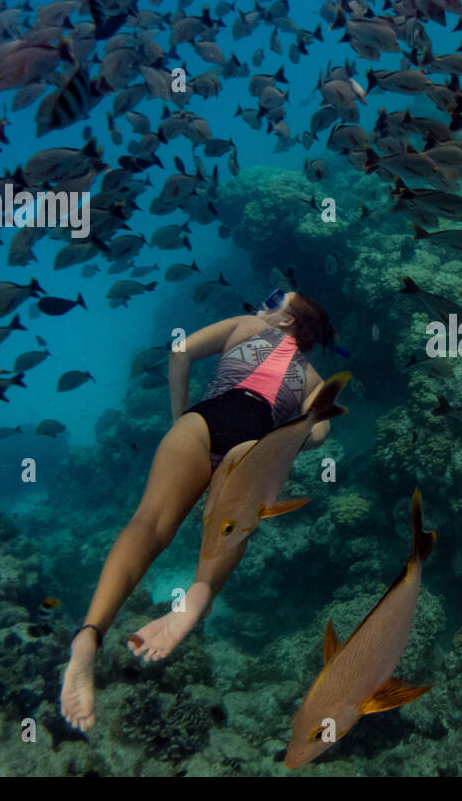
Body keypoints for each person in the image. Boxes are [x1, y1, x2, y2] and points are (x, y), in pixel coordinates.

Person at [60, 291, 337, 732]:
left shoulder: (246, 327)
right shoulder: (316, 380)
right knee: (229, 529)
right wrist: (282, 446)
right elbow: (319, 434)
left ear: (286, 323)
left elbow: (180, 351)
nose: (261, 305)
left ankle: (89, 634)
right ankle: (196, 599)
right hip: (255, 440)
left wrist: (179, 419)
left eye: (272, 301)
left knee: (148, 524)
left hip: (203, 420)